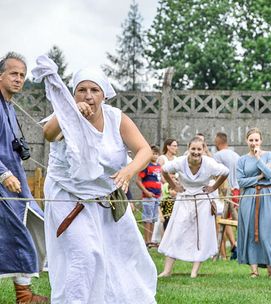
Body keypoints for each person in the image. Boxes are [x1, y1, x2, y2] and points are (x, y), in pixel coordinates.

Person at [37, 56, 157, 303]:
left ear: (104, 94)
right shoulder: (64, 115)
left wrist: (128, 171)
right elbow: (48, 134)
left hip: (106, 200)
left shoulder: (116, 118)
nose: (88, 95)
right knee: (85, 254)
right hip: (68, 198)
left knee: (123, 256)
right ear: (73, 93)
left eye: (94, 90)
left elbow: (145, 150)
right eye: (82, 90)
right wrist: (68, 111)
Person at [0, 52, 48, 303]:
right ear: (0, 75)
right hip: (3, 184)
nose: (19, 79)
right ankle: (25, 296)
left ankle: (24, 294)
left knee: (25, 230)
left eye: (22, 75)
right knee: (16, 234)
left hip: (14, 186)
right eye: (13, 74)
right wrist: (3, 173)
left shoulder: (7, 105)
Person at [158, 136, 229, 278]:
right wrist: (174, 186)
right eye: (193, 149)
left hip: (203, 199)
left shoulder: (209, 163)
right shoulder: (180, 162)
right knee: (176, 232)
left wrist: (213, 187)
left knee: (201, 234)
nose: (196, 152)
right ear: (188, 149)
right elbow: (164, 170)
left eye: (199, 149)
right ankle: (167, 270)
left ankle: (194, 272)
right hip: (184, 199)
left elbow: (225, 172)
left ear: (203, 150)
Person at [236, 128, 271, 278]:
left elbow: (269, 174)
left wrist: (258, 159)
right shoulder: (242, 160)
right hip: (249, 197)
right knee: (250, 231)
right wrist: (258, 178)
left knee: (266, 232)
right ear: (246, 141)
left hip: (267, 195)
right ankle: (254, 270)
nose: (254, 143)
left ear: (261, 141)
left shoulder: (269, 156)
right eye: (251, 140)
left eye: (256, 140)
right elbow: (241, 181)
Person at [213, 131, 240, 259]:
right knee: (230, 221)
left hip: (225, 191)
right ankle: (235, 247)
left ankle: (227, 252)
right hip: (237, 190)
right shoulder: (236, 155)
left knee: (221, 221)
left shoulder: (218, 155)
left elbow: (216, 173)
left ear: (218, 142)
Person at [136, 145, 162, 247]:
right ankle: (146, 241)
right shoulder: (146, 165)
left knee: (153, 219)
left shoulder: (159, 166)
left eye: (156, 154)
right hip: (148, 196)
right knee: (147, 219)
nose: (155, 156)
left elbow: (161, 180)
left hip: (157, 196)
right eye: (153, 153)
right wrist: (146, 192)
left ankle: (150, 240)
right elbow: (138, 181)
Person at [157, 138, 179, 231]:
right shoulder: (162, 158)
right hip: (164, 189)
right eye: (174, 146)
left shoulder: (177, 159)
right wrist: (169, 183)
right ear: (168, 146)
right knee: (164, 216)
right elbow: (159, 174)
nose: (176, 148)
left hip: (175, 190)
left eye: (176, 146)